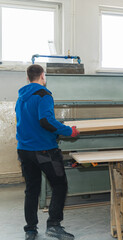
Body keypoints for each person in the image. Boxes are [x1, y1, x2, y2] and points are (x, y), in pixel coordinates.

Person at [16, 64, 79, 240]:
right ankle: (53, 225)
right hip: (44, 150)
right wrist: (69, 131)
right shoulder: (44, 94)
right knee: (59, 185)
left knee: (32, 189)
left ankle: (30, 229)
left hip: (24, 150)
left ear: (28, 78)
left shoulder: (21, 98)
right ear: (43, 76)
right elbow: (46, 121)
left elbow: (25, 123)